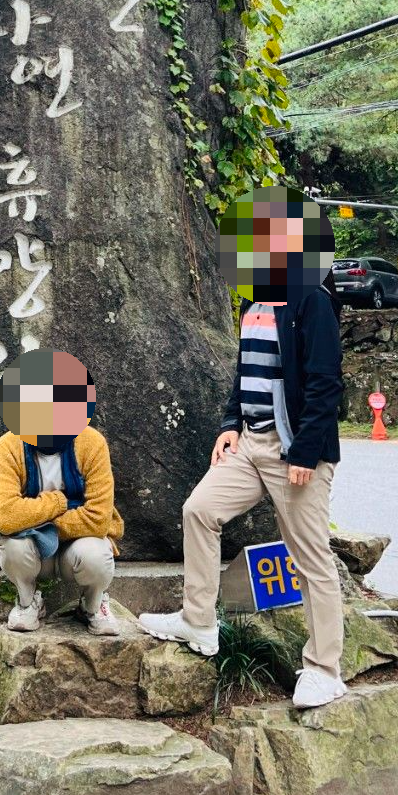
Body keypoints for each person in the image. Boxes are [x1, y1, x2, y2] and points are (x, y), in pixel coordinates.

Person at [140, 187, 346, 710]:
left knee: (311, 558)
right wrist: (231, 424)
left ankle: (324, 669)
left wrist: (305, 453)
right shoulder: (255, 299)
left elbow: (325, 384)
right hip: (250, 443)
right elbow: (245, 373)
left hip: (293, 449)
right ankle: (198, 621)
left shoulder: (312, 299)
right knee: (199, 510)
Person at [0, 348, 124, 635]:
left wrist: (34, 518)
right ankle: (27, 602)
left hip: (76, 548)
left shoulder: (92, 443)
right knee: (12, 545)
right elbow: (5, 517)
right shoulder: (8, 446)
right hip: (34, 551)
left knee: (96, 554)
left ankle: (92, 605)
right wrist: (60, 501)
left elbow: (98, 519)